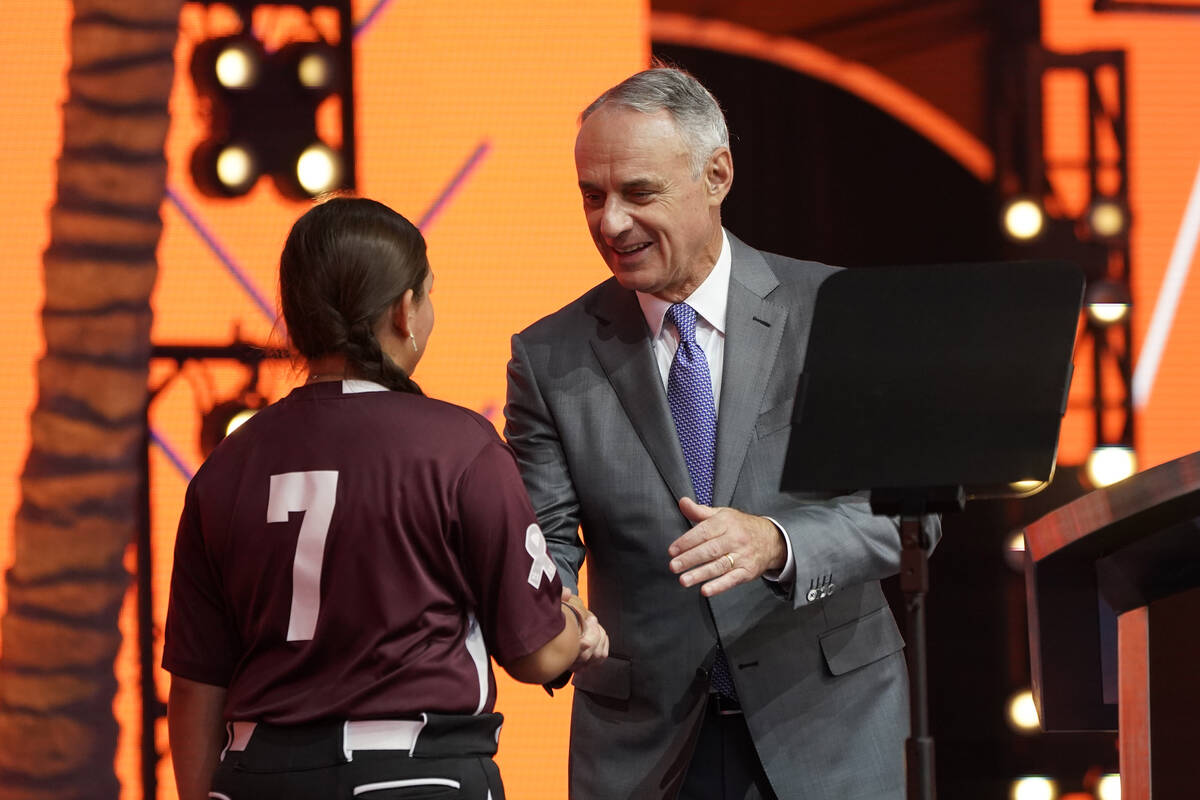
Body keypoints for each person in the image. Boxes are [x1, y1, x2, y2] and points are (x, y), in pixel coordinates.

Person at [503, 67, 941, 799]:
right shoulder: (549, 355)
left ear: (716, 175)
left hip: (830, 730)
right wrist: (560, 610)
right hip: (645, 747)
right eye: (592, 195)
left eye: (638, 193)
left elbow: (913, 518)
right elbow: (542, 538)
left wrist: (778, 542)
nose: (609, 222)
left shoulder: (834, 310)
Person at [163, 196, 598, 800]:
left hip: (258, 779)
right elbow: (539, 655)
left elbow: (195, 687)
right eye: (429, 293)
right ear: (405, 311)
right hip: (420, 778)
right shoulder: (460, 446)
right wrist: (576, 622)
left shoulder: (225, 467)